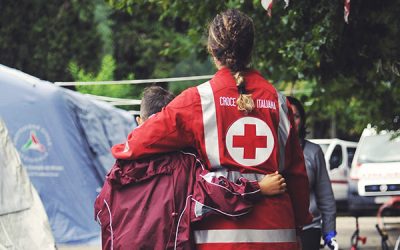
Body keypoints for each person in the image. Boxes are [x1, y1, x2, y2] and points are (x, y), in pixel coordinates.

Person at [112, 9, 311, 250]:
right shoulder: (279, 103)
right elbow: (297, 175)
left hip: (219, 236)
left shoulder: (197, 100)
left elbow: (139, 142)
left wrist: (121, 149)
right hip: (278, 232)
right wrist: (300, 224)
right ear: (251, 49)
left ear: (211, 50)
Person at [95, 86, 288, 249]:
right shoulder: (185, 161)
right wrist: (259, 188)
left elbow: (101, 211)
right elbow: (216, 193)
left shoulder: (119, 166)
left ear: (139, 120)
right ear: (171, 121)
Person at [287, 96, 338, 250]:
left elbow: (325, 196)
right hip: (279, 228)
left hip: (309, 228)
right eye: (287, 115)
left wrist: (329, 232)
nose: (291, 120)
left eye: (295, 116)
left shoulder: (314, 152)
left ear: (302, 120)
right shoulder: (269, 153)